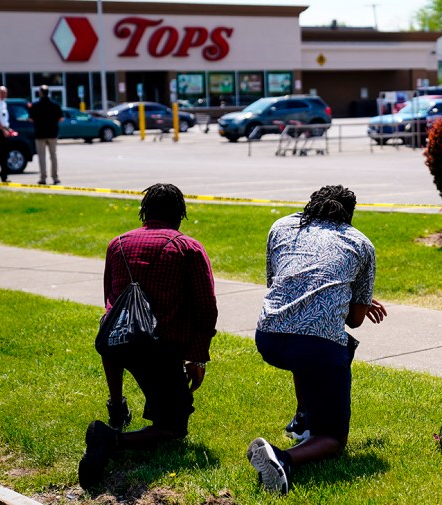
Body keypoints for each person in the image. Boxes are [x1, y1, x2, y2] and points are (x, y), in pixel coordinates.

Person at [247, 185, 387, 495]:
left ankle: (303, 420)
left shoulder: (281, 226)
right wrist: (352, 298)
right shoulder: (360, 242)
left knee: (307, 346)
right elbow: (355, 320)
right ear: (349, 215)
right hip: (316, 346)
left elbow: (280, 281)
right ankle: (281, 458)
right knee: (334, 439)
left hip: (269, 336)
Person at [78, 183, 218, 489]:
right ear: (180, 214)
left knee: (112, 337)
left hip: (115, 342)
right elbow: (206, 309)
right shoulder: (188, 248)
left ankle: (117, 406)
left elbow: (110, 301)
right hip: (161, 347)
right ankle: (111, 438)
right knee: (172, 427)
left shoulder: (117, 244)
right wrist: (196, 356)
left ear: (145, 211)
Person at [29, 85, 64, 185]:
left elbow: (30, 119)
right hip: (52, 133)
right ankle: (55, 177)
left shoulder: (35, 105)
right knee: (53, 156)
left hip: (40, 134)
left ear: (40, 93)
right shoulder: (55, 105)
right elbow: (61, 118)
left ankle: (43, 178)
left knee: (42, 157)